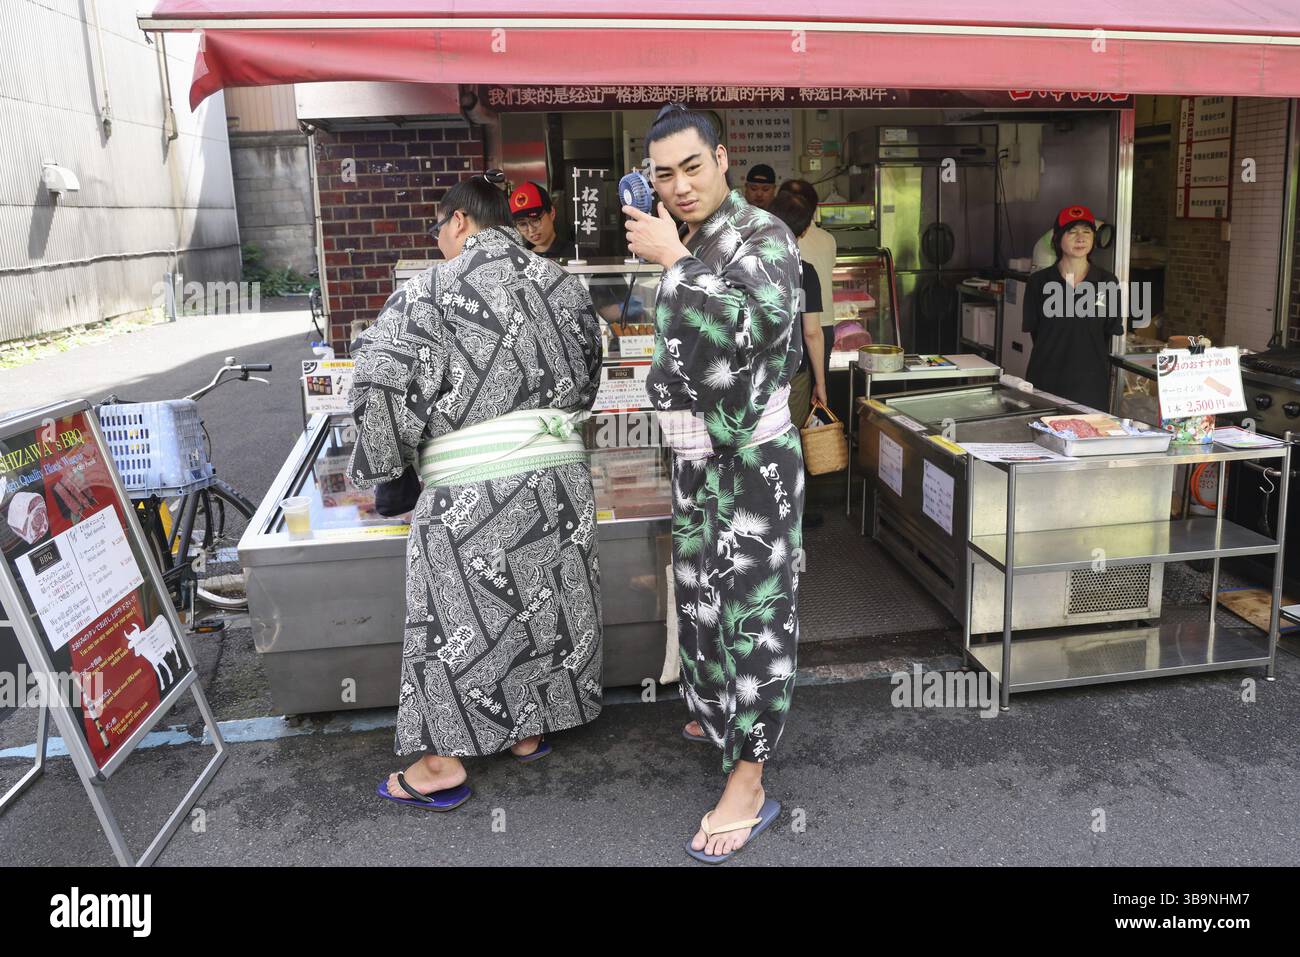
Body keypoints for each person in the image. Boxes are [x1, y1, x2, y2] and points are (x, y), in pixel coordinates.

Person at [350, 170, 605, 810]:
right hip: (559, 481)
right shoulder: (564, 287)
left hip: (475, 487)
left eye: (439, 227)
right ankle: (526, 730)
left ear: (460, 221)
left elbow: (380, 382)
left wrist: (387, 466)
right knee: (539, 602)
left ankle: (440, 764)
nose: (438, 239)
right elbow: (591, 375)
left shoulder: (429, 292)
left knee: (455, 616)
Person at [624, 104, 803, 863]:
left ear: (723, 158)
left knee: (753, 613)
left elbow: (749, 325)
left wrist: (672, 262)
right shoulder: (691, 237)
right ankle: (720, 717)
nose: (679, 184)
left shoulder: (767, 234)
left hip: (753, 465)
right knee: (700, 598)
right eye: (665, 173)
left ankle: (751, 778)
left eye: (692, 167)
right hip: (696, 461)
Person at [1023, 204, 1125, 411]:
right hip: (1045, 381)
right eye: (1072, 232)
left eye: (1087, 232)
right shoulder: (1039, 282)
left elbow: (1109, 330)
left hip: (1090, 387)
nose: (1081, 238)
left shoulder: (1107, 282)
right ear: (1058, 239)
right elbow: (1036, 332)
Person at [768, 190, 827, 529]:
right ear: (804, 231)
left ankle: (760, 509)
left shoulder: (747, 263)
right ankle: (789, 515)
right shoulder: (805, 272)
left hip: (754, 373)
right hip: (793, 375)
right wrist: (820, 382)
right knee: (790, 443)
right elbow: (812, 333)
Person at [778, 179, 837, 351]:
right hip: (823, 322)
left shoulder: (780, 240)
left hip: (793, 324)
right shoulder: (828, 239)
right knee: (816, 376)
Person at [508, 181, 569, 259]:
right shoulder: (519, 258)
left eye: (535, 220)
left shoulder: (578, 254)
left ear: (552, 213)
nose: (531, 230)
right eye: (522, 224)